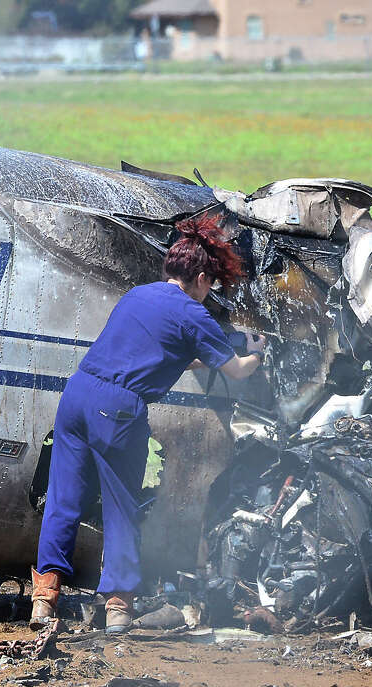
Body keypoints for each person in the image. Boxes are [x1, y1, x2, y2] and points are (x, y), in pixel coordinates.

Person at [30, 215, 266, 635]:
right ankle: (118, 606)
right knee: (121, 507)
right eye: (210, 283)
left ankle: (44, 599)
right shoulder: (194, 314)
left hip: (78, 395)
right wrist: (258, 352)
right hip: (118, 410)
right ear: (198, 276)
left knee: (64, 498)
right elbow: (237, 372)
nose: (209, 292)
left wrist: (209, 350)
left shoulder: (138, 295)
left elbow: (160, 353)